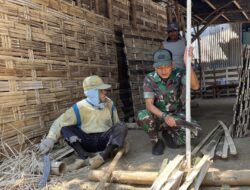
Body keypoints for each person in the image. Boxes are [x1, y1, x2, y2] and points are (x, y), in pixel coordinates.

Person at [39, 75, 128, 170]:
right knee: (65, 128)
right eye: (101, 90)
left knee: (121, 126)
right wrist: (50, 139)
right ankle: (83, 157)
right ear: (93, 93)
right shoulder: (79, 107)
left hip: (104, 140)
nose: (105, 92)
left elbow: (116, 124)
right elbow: (59, 122)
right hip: (87, 142)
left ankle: (102, 156)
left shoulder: (109, 104)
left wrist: (119, 139)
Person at [137, 48, 200, 155]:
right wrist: (165, 117)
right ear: (154, 67)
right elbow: (149, 105)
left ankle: (168, 133)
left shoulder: (179, 73)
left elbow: (195, 86)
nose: (163, 70)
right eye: (159, 67)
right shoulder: (150, 79)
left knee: (195, 131)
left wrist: (187, 63)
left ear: (172, 64)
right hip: (158, 117)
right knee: (142, 115)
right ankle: (157, 141)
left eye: (166, 66)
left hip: (176, 116)